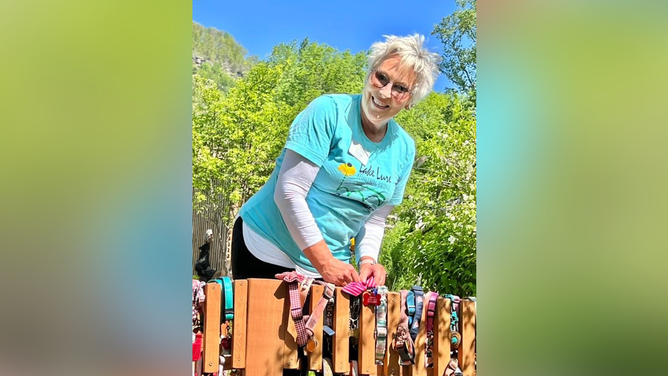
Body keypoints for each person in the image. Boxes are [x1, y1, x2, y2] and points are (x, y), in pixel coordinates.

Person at [231, 34, 440, 287]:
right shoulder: (328, 111)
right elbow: (289, 192)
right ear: (369, 73)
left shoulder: (404, 148)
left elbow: (374, 218)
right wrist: (325, 262)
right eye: (381, 77)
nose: (385, 92)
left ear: (411, 101)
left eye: (400, 88)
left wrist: (367, 261)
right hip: (267, 245)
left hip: (329, 262)